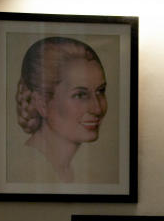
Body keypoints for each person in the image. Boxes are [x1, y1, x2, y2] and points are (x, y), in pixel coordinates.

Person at [14, 36, 108, 183]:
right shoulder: (27, 171)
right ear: (42, 103)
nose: (97, 108)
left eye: (100, 91)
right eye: (80, 95)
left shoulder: (70, 170)